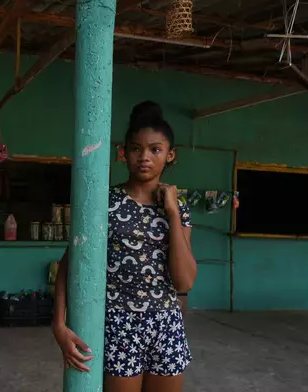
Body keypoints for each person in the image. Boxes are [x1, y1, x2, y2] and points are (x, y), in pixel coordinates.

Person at [52, 101, 197, 392]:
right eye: (135, 148)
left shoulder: (178, 210)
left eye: (155, 149)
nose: (144, 157)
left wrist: (171, 213)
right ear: (123, 152)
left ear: (170, 155)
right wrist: (58, 325)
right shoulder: (103, 203)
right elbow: (69, 263)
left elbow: (184, 281)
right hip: (119, 324)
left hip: (166, 325)